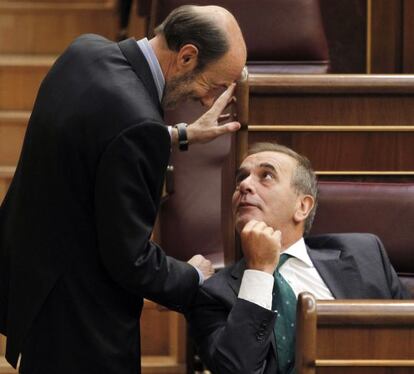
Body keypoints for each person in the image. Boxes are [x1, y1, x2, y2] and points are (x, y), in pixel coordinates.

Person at [0, 5, 247, 374]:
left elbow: (96, 136)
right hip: (81, 323)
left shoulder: (85, 51)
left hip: (37, 285)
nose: (208, 101)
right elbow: (130, 260)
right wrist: (192, 276)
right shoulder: (136, 125)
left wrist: (178, 134)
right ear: (186, 56)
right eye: (212, 86)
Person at [187, 142, 411, 374]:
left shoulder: (365, 254)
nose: (244, 185)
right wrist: (259, 272)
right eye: (241, 178)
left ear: (302, 206)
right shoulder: (212, 293)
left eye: (266, 176)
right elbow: (237, 370)